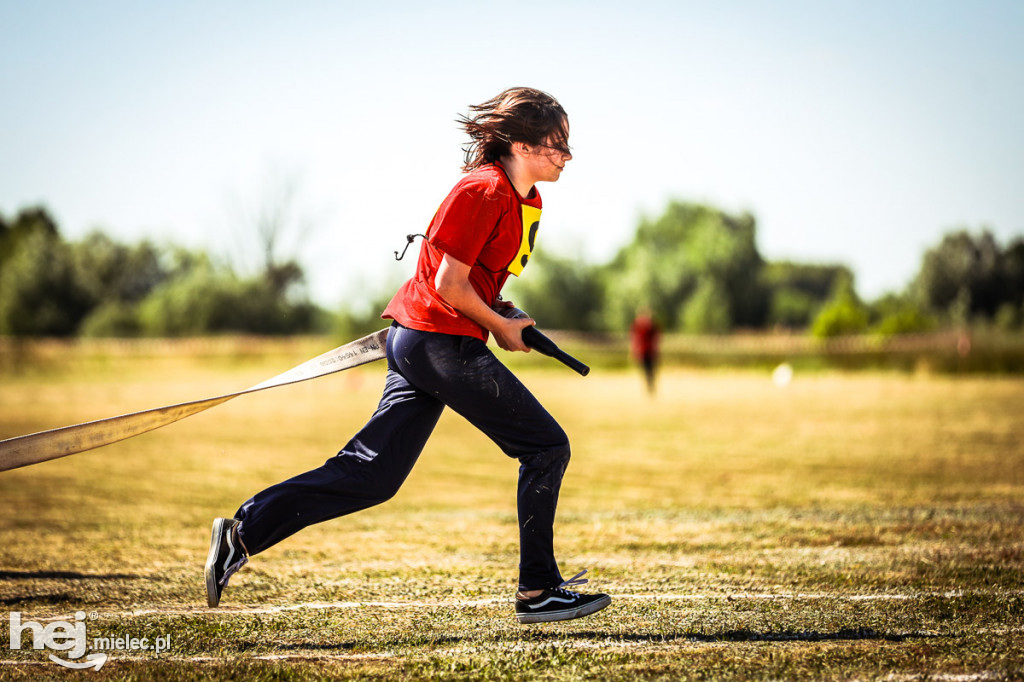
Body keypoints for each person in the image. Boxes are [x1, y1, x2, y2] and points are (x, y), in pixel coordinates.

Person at [205, 87, 611, 624]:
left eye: (566, 144)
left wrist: (506, 313)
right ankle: (538, 592)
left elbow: (479, 283)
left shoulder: (528, 200)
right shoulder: (483, 190)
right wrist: (499, 328)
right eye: (556, 144)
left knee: (373, 477)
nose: (566, 155)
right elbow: (448, 285)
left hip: (432, 341)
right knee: (546, 447)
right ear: (519, 143)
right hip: (437, 341)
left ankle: (243, 532)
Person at [630, 307, 661, 395]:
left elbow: (656, 338)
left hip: (649, 351)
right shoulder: (639, 325)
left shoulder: (650, 325)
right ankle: (649, 387)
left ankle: (650, 387)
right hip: (644, 351)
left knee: (650, 370)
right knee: (647, 370)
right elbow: (635, 338)